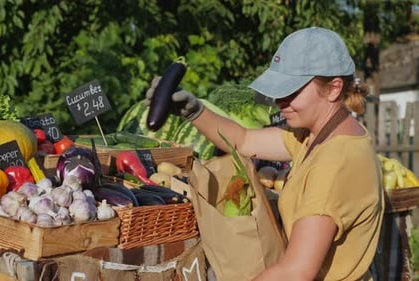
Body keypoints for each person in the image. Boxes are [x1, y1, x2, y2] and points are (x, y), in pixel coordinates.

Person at [145, 27, 384, 281]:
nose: (281, 100)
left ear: (334, 89)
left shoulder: (335, 164)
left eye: (292, 91)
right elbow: (243, 141)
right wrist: (195, 111)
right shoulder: (315, 135)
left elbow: (295, 273)